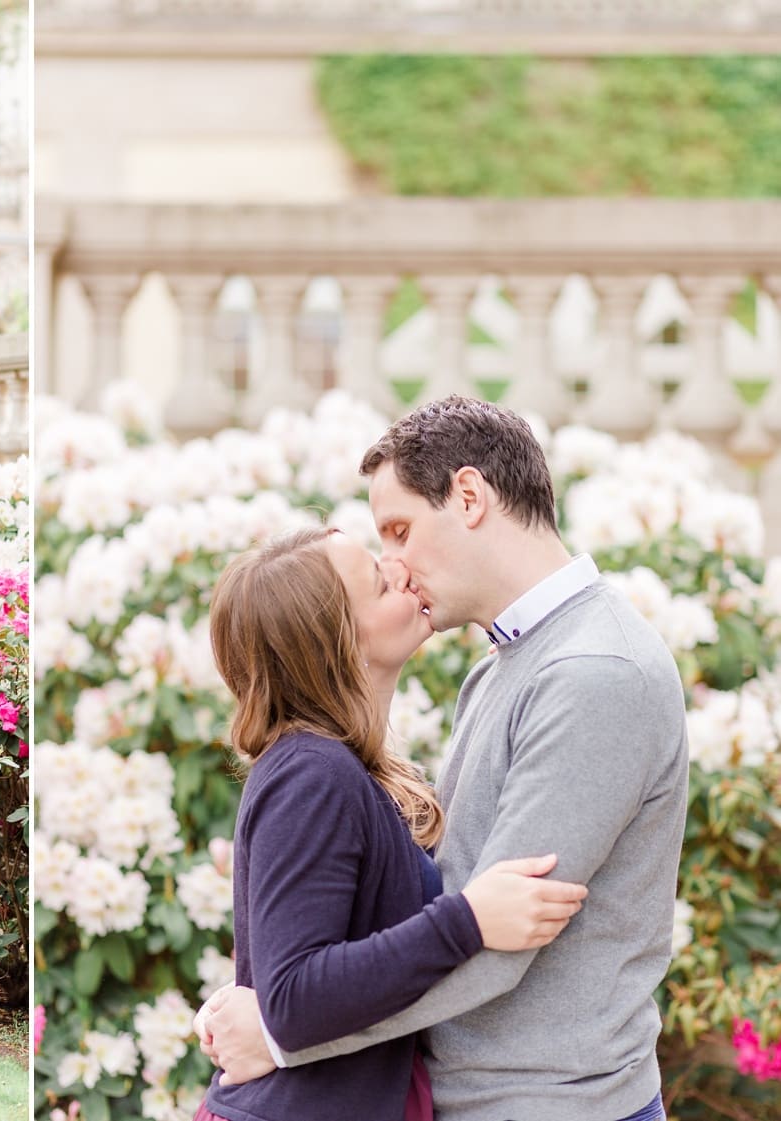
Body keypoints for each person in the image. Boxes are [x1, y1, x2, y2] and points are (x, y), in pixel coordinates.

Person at [199, 396, 689, 1121]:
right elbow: (460, 905)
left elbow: (499, 940)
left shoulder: (596, 670)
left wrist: (282, 1029)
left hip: (549, 1101)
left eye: (398, 531)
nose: (394, 564)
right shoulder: (499, 668)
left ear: (468, 497)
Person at [195, 525, 588, 1121]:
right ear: (341, 644)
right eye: (380, 583)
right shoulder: (311, 775)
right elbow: (294, 998)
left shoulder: (339, 767)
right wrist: (469, 921)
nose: (401, 570)